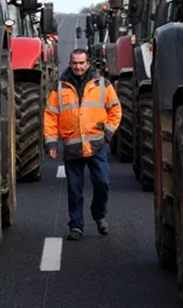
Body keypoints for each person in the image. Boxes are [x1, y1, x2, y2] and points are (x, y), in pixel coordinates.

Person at [44, 48, 121, 240]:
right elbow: (51, 116)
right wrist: (51, 144)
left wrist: (107, 135)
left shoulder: (102, 84)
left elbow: (115, 110)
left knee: (102, 183)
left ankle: (99, 215)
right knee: (74, 190)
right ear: (70, 64)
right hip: (72, 147)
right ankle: (76, 226)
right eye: (75, 63)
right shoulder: (60, 87)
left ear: (88, 64)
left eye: (81, 63)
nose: (78, 66)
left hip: (97, 145)